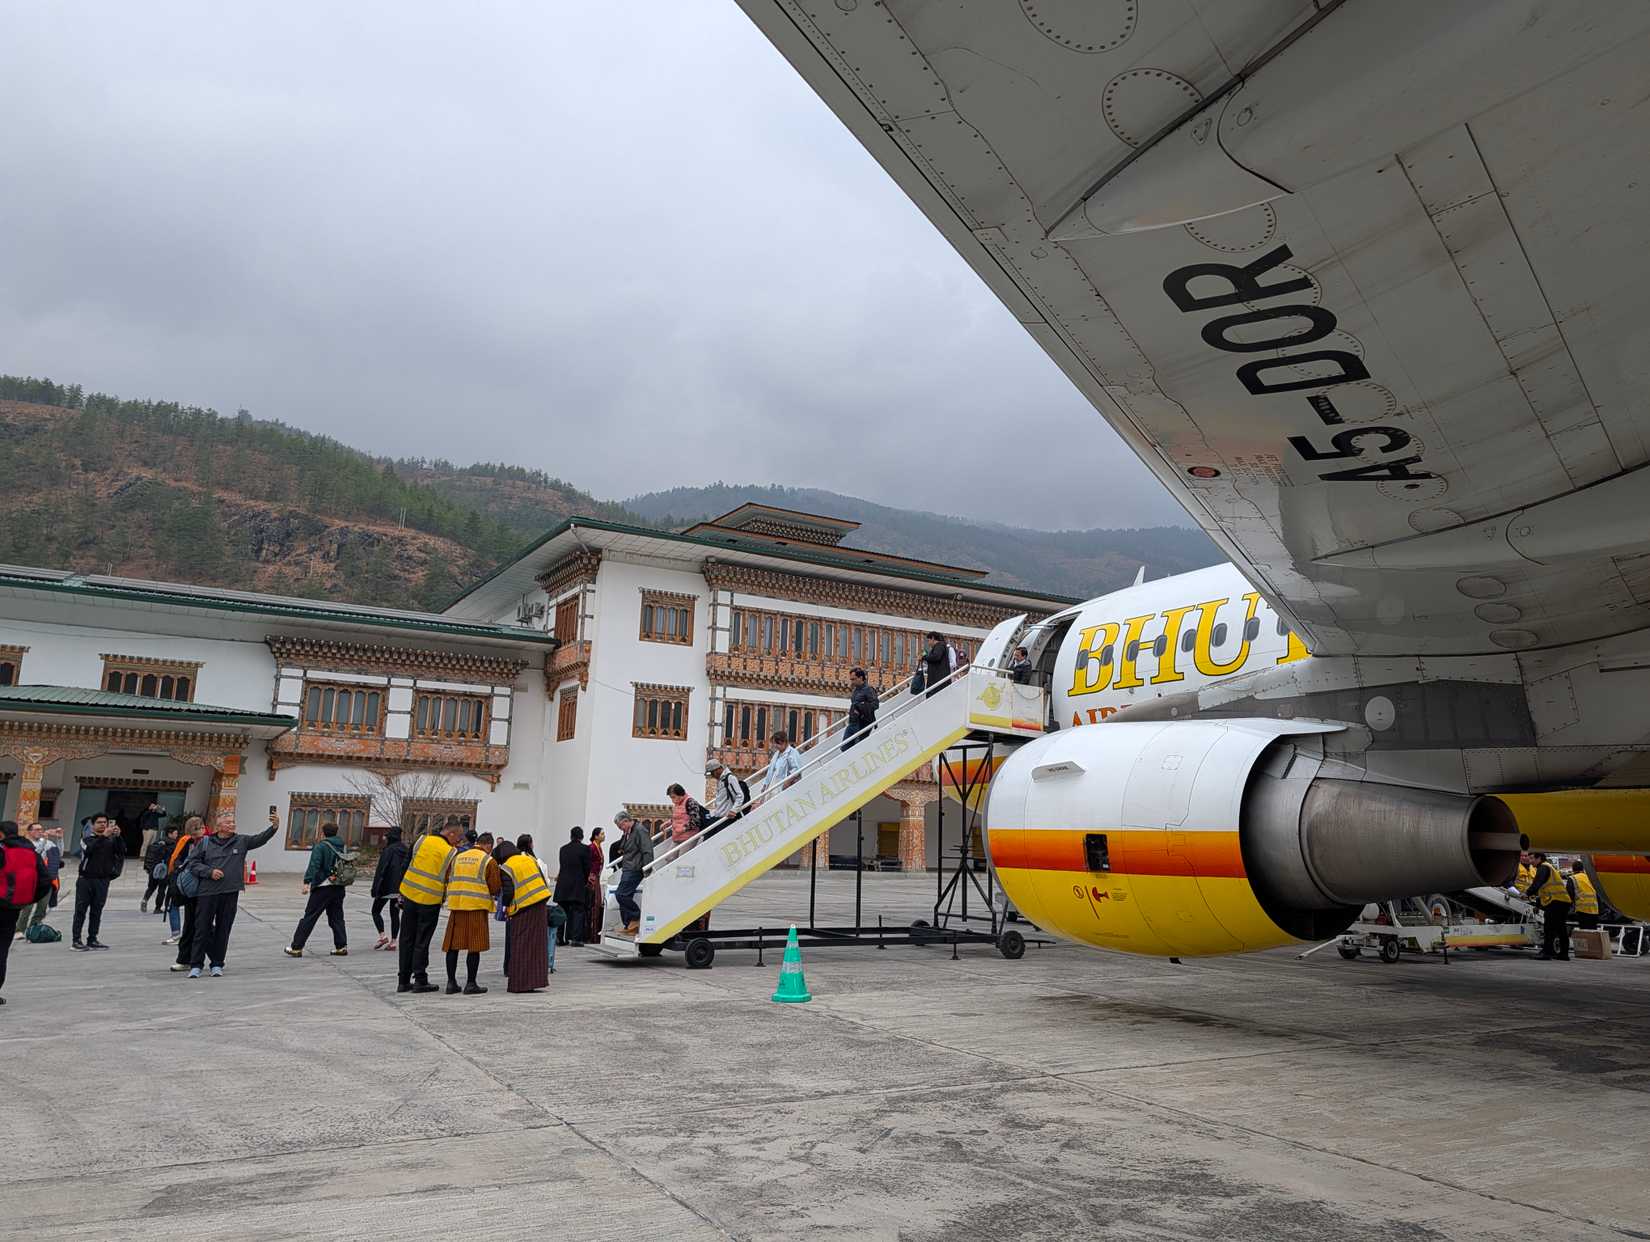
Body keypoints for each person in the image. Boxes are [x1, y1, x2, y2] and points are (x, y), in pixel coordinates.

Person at [184, 810, 279, 978]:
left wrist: (274, 827)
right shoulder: (206, 842)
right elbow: (193, 863)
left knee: (223, 929)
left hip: (230, 892)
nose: (232, 825)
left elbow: (260, 839)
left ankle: (217, 964)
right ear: (219, 826)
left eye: (233, 822)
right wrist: (209, 871)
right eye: (228, 822)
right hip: (207, 892)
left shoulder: (241, 841)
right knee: (201, 929)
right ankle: (196, 965)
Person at [396, 815, 466, 993]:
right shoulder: (450, 852)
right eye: (458, 838)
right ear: (450, 833)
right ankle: (420, 979)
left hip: (410, 896)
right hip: (430, 901)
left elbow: (405, 865)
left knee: (406, 938)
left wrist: (402, 891)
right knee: (422, 940)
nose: (458, 842)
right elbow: (451, 878)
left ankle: (403, 980)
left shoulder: (421, 841)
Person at [441, 831, 500, 995]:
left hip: (457, 906)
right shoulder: (488, 860)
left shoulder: (458, 857)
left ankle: (451, 983)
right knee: (475, 946)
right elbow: (495, 887)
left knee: (453, 946)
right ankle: (471, 983)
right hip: (476, 907)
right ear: (489, 845)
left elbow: (447, 876)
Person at [1, 821, 51, 1006]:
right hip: (12, 907)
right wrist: (28, 900)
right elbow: (45, 881)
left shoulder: (2, 850)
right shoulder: (31, 853)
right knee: (2, 950)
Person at [284, 822, 351, 958]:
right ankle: (341, 946)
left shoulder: (321, 846)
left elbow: (314, 864)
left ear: (323, 833)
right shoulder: (344, 847)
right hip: (339, 886)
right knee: (337, 917)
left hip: (323, 886)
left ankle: (296, 947)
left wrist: (307, 882)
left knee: (310, 916)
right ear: (336, 832)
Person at [499, 839, 550, 993]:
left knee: (521, 945)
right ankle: (536, 980)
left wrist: (506, 907)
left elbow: (508, 892)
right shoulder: (529, 859)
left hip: (524, 908)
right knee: (537, 945)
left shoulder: (506, 867)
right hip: (540, 903)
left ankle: (520, 983)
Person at [72, 816, 125, 951]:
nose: (102, 825)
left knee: (97, 910)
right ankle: (76, 940)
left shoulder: (110, 840)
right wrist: (103, 837)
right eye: (99, 823)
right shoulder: (86, 838)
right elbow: (89, 850)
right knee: (80, 910)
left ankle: (92, 938)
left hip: (103, 880)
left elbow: (122, 851)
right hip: (86, 879)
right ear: (93, 825)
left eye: (105, 823)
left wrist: (118, 837)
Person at [167, 817, 204, 970]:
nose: (195, 834)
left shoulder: (210, 842)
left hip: (204, 889)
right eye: (192, 831)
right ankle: (184, 959)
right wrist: (182, 869)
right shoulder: (186, 842)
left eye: (198, 829)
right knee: (190, 925)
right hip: (188, 889)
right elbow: (175, 861)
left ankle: (214, 959)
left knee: (203, 926)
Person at [1524, 851, 1574, 961]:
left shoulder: (1544, 867)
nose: (1530, 861)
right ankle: (1563, 954)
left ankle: (1547, 952)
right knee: (1560, 928)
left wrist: (1526, 893)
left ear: (1539, 858)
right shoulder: (1548, 868)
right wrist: (1538, 904)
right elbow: (1543, 889)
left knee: (1549, 928)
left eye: (1532, 858)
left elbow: (1537, 884)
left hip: (1556, 902)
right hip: (1562, 901)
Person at [611, 811, 653, 936]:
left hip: (635, 868)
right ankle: (628, 924)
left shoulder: (640, 830)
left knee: (621, 894)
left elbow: (647, 850)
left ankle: (636, 916)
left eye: (620, 826)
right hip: (628, 867)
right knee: (625, 895)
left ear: (626, 821)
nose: (620, 829)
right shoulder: (628, 832)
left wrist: (647, 868)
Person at [370, 827, 411, 951]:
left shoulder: (388, 850)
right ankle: (393, 942)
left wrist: (375, 887)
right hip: (400, 888)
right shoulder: (406, 850)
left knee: (375, 910)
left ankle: (382, 936)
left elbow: (381, 870)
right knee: (395, 914)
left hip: (386, 887)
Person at [15, 824, 54, 941]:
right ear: (29, 831)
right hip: (30, 879)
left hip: (45, 879)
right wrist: (45, 841)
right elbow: (34, 854)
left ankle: (33, 929)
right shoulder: (24, 843)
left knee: (42, 907)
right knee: (27, 907)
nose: (40, 831)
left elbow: (58, 854)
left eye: (41, 829)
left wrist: (60, 839)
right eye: (37, 829)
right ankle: (19, 929)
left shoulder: (47, 842)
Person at [553, 827, 589, 946]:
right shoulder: (584, 849)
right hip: (577, 884)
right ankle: (576, 938)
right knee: (578, 911)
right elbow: (586, 868)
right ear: (581, 836)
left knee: (562, 911)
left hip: (562, 884)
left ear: (571, 836)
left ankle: (559, 937)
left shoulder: (563, 849)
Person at [139, 824, 172, 914]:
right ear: (170, 834)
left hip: (153, 869)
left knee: (151, 887)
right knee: (161, 889)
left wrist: (147, 867)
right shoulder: (172, 845)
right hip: (164, 870)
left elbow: (149, 855)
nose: (176, 835)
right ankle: (157, 908)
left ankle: (145, 899)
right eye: (175, 833)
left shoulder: (156, 843)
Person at [844, 667, 879, 749]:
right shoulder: (856, 690)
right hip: (853, 722)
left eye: (854, 679)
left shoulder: (869, 689)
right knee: (844, 747)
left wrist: (860, 706)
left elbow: (875, 704)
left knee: (858, 747)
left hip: (863, 723)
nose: (852, 681)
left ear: (861, 678)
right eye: (851, 679)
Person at [707, 760, 749, 827]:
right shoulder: (720, 780)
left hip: (727, 818)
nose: (712, 775)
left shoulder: (730, 778)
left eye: (712, 773)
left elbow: (739, 795)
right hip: (719, 816)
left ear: (718, 769)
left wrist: (733, 810)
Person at [763, 731, 802, 796]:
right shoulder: (777, 753)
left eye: (777, 744)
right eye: (774, 743)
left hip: (784, 784)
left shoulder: (792, 753)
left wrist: (787, 783)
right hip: (774, 783)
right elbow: (771, 770)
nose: (775, 746)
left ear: (784, 742)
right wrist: (765, 785)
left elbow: (796, 770)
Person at [585, 826, 606, 942]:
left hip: (597, 877)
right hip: (592, 879)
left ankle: (594, 934)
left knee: (597, 905)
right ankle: (590, 934)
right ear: (596, 836)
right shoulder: (591, 847)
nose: (604, 836)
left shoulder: (599, 847)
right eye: (602, 834)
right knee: (593, 904)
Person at [1568, 858, 1601, 930]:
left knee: (1584, 931)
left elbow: (1569, 895)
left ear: (1573, 869)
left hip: (1582, 910)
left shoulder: (1572, 878)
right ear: (1583, 868)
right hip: (1594, 909)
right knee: (1592, 931)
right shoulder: (1590, 877)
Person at [923, 632, 951, 697]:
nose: (928, 643)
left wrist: (924, 657)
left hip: (938, 680)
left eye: (929, 640)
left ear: (933, 638)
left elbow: (936, 657)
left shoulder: (940, 646)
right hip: (937, 680)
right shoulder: (940, 646)